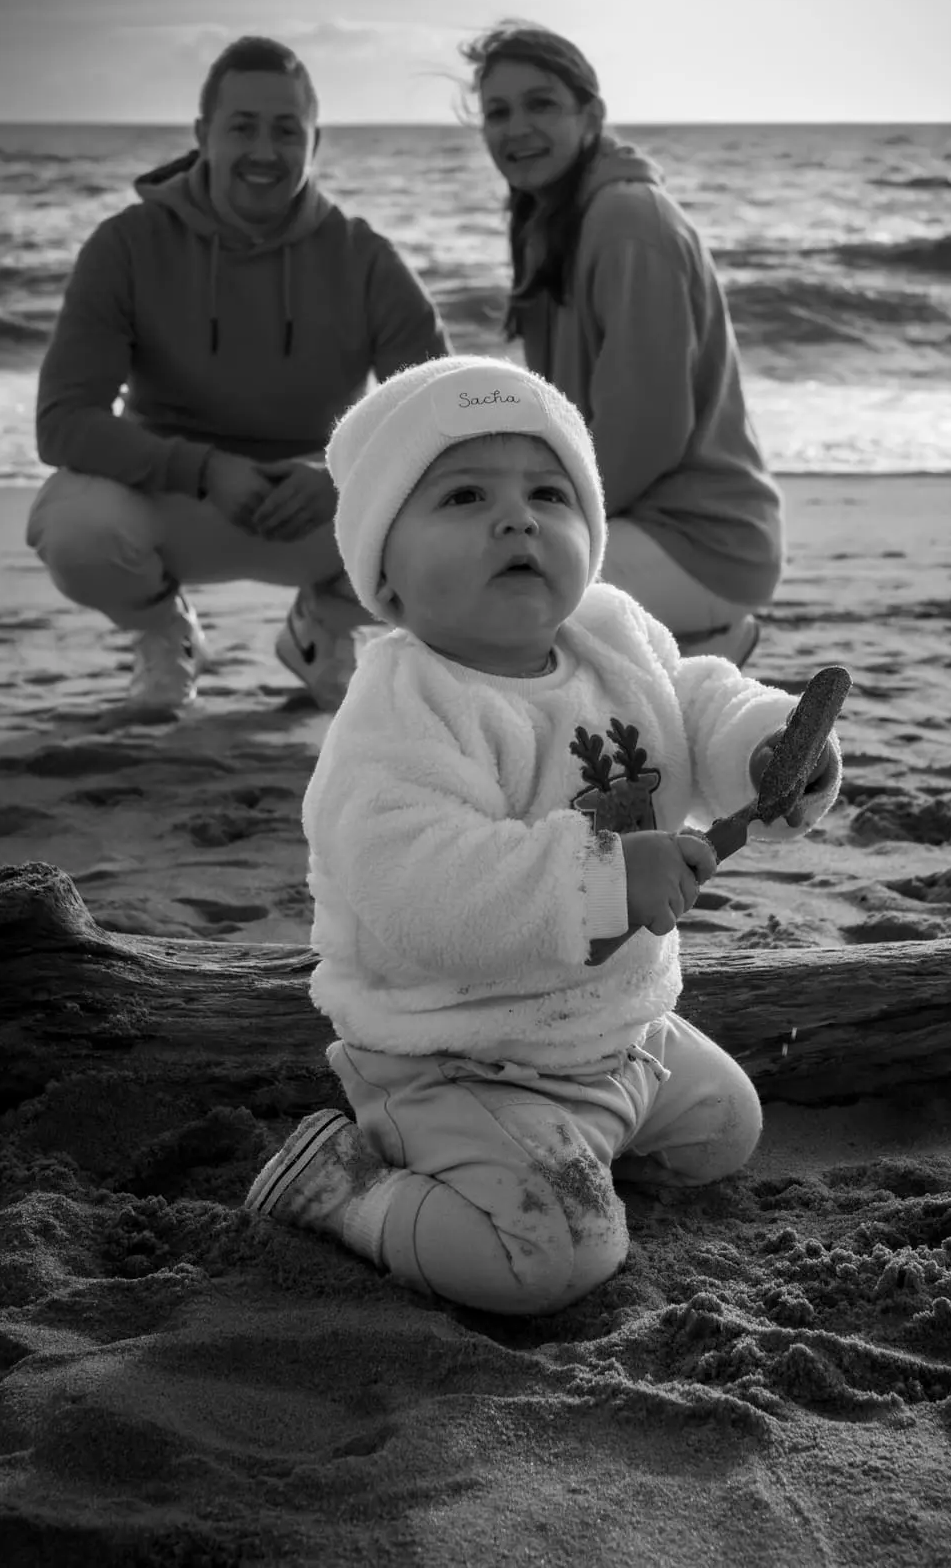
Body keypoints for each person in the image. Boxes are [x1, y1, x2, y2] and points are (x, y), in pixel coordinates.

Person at [244, 356, 841, 1318]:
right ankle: (348, 1186)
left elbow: (698, 698)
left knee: (727, 1126)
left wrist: (763, 747)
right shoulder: (404, 708)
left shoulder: (612, 630)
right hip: (462, 1052)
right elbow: (419, 891)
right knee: (552, 1256)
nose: (517, 518)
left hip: (612, 1027)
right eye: (464, 495)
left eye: (549, 493)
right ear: (383, 578)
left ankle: (579, 1146)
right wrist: (602, 882)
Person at [26, 35, 450, 714]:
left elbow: (438, 414)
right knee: (78, 530)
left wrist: (337, 472)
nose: (263, 150)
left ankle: (325, 628)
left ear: (315, 142)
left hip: (317, 506)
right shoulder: (127, 245)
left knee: (454, 519)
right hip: (175, 501)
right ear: (202, 135)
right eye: (242, 126)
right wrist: (203, 470)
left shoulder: (364, 258)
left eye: (286, 130)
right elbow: (63, 423)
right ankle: (166, 633)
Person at [461, 20, 784, 667]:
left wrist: (539, 515)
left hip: (700, 543)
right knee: (448, 558)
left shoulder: (625, 220)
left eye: (541, 103)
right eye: (498, 112)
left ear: (591, 115)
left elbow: (647, 430)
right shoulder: (552, 222)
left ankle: (702, 648)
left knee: (477, 597)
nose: (516, 126)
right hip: (637, 521)